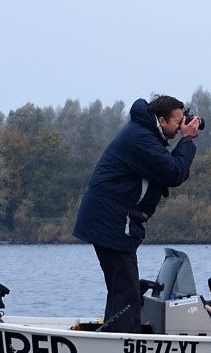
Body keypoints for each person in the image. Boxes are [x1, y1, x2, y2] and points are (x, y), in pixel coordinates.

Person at [73, 95, 200, 333]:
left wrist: (183, 145)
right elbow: (173, 173)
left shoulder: (144, 133)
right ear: (162, 120)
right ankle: (123, 344)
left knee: (123, 286)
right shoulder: (141, 139)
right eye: (178, 121)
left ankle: (115, 335)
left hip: (110, 220)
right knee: (126, 289)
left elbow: (173, 172)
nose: (181, 126)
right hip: (112, 221)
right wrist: (188, 140)